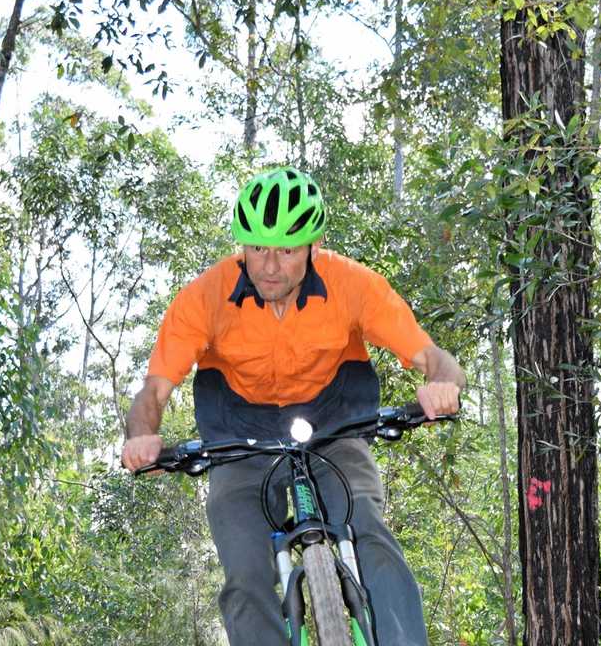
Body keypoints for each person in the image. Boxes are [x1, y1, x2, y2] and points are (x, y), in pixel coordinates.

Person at [121, 167, 464, 645]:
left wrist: (440, 385)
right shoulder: (204, 297)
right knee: (245, 577)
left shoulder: (354, 285)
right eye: (258, 247)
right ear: (242, 245)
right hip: (239, 440)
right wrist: (141, 436)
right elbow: (153, 391)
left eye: (286, 249)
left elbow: (433, 357)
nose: (269, 266)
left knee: (369, 534)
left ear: (313, 245)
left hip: (334, 425)